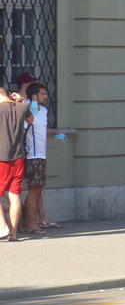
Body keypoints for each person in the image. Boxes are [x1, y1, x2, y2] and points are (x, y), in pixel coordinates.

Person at [20, 81, 57, 234]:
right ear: (34, 96)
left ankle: (33, 221)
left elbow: (42, 129)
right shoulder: (28, 110)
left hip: (41, 155)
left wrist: (56, 132)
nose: (46, 96)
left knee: (38, 189)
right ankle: (30, 224)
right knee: (34, 190)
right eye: (43, 94)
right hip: (32, 155)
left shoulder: (44, 110)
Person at [1, 90, 33, 241]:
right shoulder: (22, 107)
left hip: (2, 157)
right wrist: (22, 101)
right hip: (18, 157)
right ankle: (13, 234)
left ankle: (2, 226)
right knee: (15, 195)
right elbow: (31, 120)